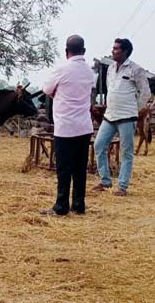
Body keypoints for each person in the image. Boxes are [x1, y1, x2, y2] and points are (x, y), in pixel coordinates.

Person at [40, 35, 95, 215]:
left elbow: (46, 89)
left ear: (66, 51)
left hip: (65, 127)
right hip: (84, 126)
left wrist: (58, 93)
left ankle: (61, 205)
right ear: (84, 51)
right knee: (80, 167)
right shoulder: (89, 71)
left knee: (64, 168)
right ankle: (79, 204)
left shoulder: (62, 69)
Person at [92, 38, 151, 196]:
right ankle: (105, 181)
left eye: (116, 48)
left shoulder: (136, 69)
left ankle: (123, 186)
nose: (113, 51)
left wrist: (134, 108)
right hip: (110, 115)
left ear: (125, 51)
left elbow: (145, 93)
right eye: (113, 48)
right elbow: (110, 89)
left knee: (126, 152)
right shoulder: (110, 68)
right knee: (99, 146)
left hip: (127, 117)